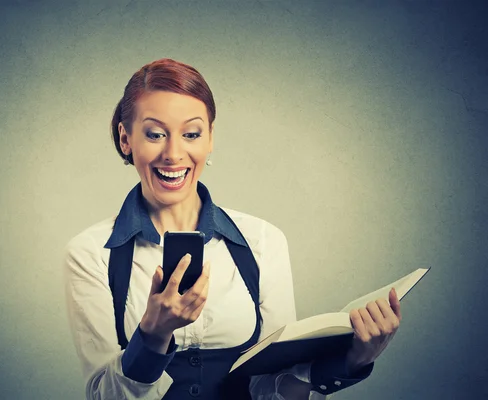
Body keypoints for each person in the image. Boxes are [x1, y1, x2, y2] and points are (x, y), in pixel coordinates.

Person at [63, 58, 402, 400]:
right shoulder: (91, 252)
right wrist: (153, 333)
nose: (173, 153)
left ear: (209, 139)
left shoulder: (262, 241)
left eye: (191, 134)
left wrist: (350, 361)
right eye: (155, 134)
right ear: (126, 139)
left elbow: (272, 390)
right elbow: (103, 396)